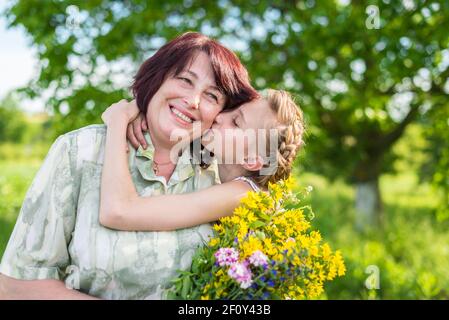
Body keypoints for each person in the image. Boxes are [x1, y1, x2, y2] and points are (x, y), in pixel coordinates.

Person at [0, 32, 257, 300]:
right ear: (157, 79)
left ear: (221, 114)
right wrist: (121, 121)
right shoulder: (81, 150)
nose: (193, 101)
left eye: (212, 96)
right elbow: (15, 285)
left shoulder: (220, 175)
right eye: (184, 80)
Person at [99, 88, 305, 232]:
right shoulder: (216, 167)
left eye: (236, 122)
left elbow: (119, 212)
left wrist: (118, 120)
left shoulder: (244, 195)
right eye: (231, 109)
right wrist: (146, 110)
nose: (219, 116)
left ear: (251, 159)